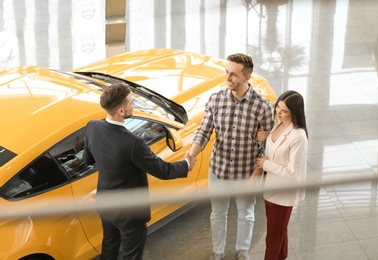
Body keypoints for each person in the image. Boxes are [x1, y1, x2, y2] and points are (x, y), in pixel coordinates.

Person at [83, 82, 196, 260]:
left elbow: (88, 160)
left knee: (109, 247)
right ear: (121, 111)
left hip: (105, 203)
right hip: (130, 212)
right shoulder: (133, 143)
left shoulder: (92, 127)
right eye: (131, 102)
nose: (133, 104)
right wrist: (186, 165)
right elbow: (163, 171)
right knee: (131, 255)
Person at [189, 53, 274, 260]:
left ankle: (242, 251)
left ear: (247, 78)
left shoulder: (262, 106)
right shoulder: (216, 99)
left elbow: (269, 146)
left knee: (246, 214)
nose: (228, 77)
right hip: (218, 170)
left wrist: (255, 177)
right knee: (218, 214)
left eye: (234, 75)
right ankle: (218, 253)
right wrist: (192, 153)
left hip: (246, 173)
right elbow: (204, 130)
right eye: (227, 72)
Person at [254, 90, 308, 260]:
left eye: (284, 111)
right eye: (277, 107)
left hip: (283, 193)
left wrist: (266, 164)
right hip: (270, 188)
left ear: (294, 112)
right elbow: (273, 149)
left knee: (273, 237)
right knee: (279, 232)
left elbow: (293, 174)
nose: (278, 112)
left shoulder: (298, 137)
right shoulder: (278, 125)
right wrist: (262, 138)